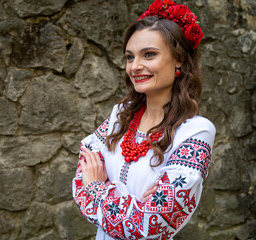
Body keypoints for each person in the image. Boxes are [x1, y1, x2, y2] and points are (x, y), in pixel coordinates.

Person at [72, 0, 216, 239]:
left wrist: (96, 188)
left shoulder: (195, 132)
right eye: (130, 57)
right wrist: (133, 204)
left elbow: (148, 224)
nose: (135, 66)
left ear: (179, 59)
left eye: (149, 54)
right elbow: (81, 174)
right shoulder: (121, 115)